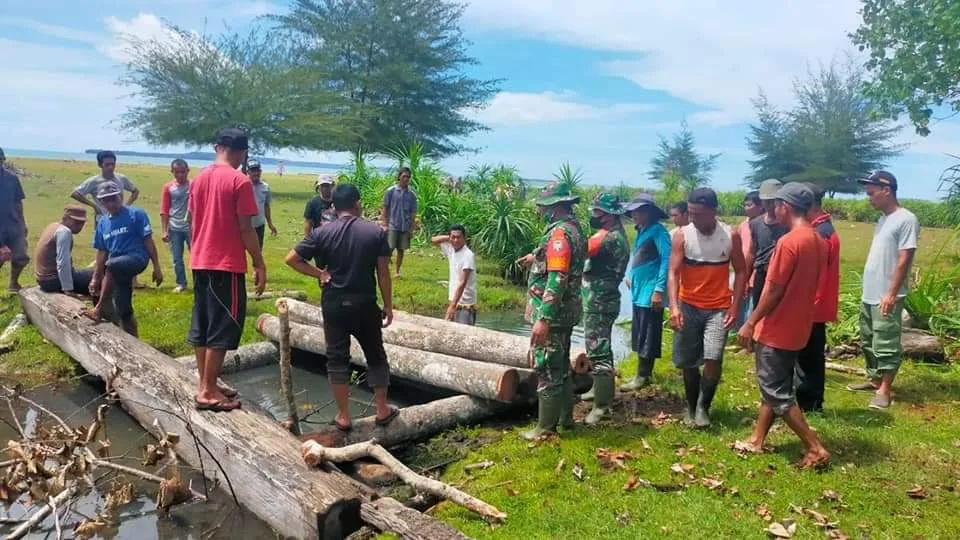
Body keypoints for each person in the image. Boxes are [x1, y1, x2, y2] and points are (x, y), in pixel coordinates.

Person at [285, 183, 398, 430]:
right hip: (365, 304)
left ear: (334, 206)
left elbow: (291, 259)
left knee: (337, 359)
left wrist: (319, 273)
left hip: (334, 304)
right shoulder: (375, 233)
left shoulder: (322, 233)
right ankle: (382, 410)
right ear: (357, 203)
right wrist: (388, 306)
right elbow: (383, 273)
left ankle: (344, 416)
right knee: (376, 355)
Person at [736, 183, 830, 469]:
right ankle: (757, 440)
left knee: (777, 391)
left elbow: (774, 289)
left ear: (785, 207)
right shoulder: (818, 240)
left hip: (777, 328)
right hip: (799, 326)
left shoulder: (789, 242)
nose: (772, 208)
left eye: (775, 204)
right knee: (776, 384)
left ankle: (814, 448)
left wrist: (751, 321)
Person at [188, 128, 267, 412]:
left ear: (216, 146)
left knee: (204, 324)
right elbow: (246, 228)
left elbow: (194, 220)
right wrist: (258, 262)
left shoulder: (198, 180)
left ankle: (206, 381)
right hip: (226, 262)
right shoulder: (239, 181)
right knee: (223, 325)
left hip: (200, 260)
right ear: (242, 152)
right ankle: (207, 391)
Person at [668, 187, 746, 428]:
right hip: (689, 305)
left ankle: (703, 406)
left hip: (718, 308)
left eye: (698, 214)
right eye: (690, 213)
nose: (693, 218)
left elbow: (742, 271)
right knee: (689, 362)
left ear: (713, 211)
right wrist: (674, 307)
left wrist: (735, 307)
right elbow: (673, 272)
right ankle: (691, 406)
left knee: (713, 358)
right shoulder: (682, 236)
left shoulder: (729, 235)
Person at [516, 183, 586, 439]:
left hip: (553, 315)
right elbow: (561, 261)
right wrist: (536, 257)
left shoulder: (559, 235)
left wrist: (543, 318)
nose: (540, 210)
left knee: (546, 368)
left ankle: (545, 429)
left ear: (555, 208)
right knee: (562, 368)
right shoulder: (575, 230)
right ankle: (566, 421)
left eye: (543, 206)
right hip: (567, 312)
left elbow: (558, 277)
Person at [847, 171, 919, 409]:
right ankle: (875, 380)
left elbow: (904, 259)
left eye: (871, 192)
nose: (869, 198)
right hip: (870, 293)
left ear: (886, 190)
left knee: (886, 342)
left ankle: (885, 391)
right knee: (869, 340)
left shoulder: (906, 219)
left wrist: (890, 293)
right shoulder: (882, 220)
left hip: (887, 295)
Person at [579, 193, 630, 425]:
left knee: (599, 350)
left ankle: (602, 407)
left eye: (597, 212)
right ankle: (600, 392)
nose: (593, 216)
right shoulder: (615, 234)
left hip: (600, 301)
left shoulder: (608, 238)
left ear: (608, 216)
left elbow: (581, 250)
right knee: (601, 348)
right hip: (601, 300)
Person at [86, 184, 163, 337]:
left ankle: (98, 309)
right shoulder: (103, 223)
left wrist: (157, 267)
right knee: (123, 309)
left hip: (137, 258)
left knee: (111, 264)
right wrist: (95, 278)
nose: (111, 204)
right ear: (101, 202)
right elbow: (102, 252)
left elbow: (148, 241)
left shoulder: (136, 214)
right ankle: (134, 341)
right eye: (106, 201)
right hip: (117, 267)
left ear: (120, 197)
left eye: (113, 199)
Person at [619, 193, 671, 392]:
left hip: (651, 292)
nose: (634, 215)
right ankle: (642, 373)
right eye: (633, 211)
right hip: (638, 291)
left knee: (649, 333)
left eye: (638, 211)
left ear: (649, 212)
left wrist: (659, 290)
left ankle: (643, 375)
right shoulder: (642, 231)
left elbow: (666, 261)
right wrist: (631, 276)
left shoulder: (659, 232)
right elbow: (641, 258)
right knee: (640, 332)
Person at [796, 183, 840, 412]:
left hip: (813, 305)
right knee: (808, 355)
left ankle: (810, 403)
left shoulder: (821, 233)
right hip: (816, 304)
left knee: (809, 357)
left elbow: (815, 274)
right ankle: (808, 402)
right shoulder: (823, 228)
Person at [746, 179, 788, 307]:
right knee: (759, 309)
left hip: (782, 276)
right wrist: (745, 280)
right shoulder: (756, 223)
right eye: (767, 201)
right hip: (761, 275)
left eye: (773, 201)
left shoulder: (788, 224)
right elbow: (752, 252)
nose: (770, 205)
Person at [35, 206, 92, 296]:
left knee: (88, 272)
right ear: (65, 218)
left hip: (42, 279)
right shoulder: (64, 232)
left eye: (82, 223)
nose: (79, 226)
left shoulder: (53, 226)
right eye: (76, 222)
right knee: (98, 277)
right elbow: (62, 263)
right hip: (53, 281)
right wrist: (68, 289)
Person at [430, 225, 478, 325]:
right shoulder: (451, 249)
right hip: (455, 301)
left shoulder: (468, 255)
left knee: (464, 335)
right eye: (453, 237)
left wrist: (452, 306)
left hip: (465, 305)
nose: (456, 240)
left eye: (459, 237)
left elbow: (462, 282)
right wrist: (450, 238)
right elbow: (433, 240)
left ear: (464, 238)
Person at [71, 150, 139, 217]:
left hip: (119, 216)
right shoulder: (94, 181)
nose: (110, 167)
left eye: (113, 164)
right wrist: (94, 206)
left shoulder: (121, 178)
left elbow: (135, 191)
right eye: (107, 164)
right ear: (100, 165)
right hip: (102, 216)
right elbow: (75, 194)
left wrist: (126, 206)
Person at [160, 159, 191, 292]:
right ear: (172, 172)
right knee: (177, 258)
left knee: (196, 256)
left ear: (187, 171)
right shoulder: (168, 187)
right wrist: (164, 231)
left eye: (183, 172)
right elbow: (164, 210)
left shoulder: (194, 185)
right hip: (174, 228)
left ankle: (201, 283)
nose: (180, 175)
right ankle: (181, 283)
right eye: (177, 172)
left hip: (191, 227)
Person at [0, 148, 29, 291]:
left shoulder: (12, 179)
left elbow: (18, 202)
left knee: (21, 256)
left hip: (12, 223)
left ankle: (13, 283)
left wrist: (23, 223)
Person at [735, 190, 764, 331]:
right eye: (745, 205)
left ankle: (749, 341)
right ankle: (739, 334)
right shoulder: (743, 225)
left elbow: (752, 254)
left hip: (755, 272)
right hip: (742, 271)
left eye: (749, 205)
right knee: (740, 303)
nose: (746, 208)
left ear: (760, 206)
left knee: (752, 306)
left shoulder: (764, 225)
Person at [381, 167, 418, 277]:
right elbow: (385, 209)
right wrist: (384, 224)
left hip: (405, 226)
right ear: (399, 177)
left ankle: (397, 271)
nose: (406, 179)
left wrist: (411, 229)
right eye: (404, 176)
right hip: (393, 224)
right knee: (389, 249)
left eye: (408, 177)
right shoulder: (391, 191)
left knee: (401, 250)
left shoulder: (411, 195)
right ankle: (385, 270)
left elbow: (413, 213)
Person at [247, 159, 278, 248]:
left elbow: (266, 206)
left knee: (257, 250)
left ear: (260, 171)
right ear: (248, 172)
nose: (255, 173)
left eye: (257, 170)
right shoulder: (243, 185)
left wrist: (270, 223)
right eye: (253, 170)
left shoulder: (265, 187)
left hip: (259, 225)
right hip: (244, 225)